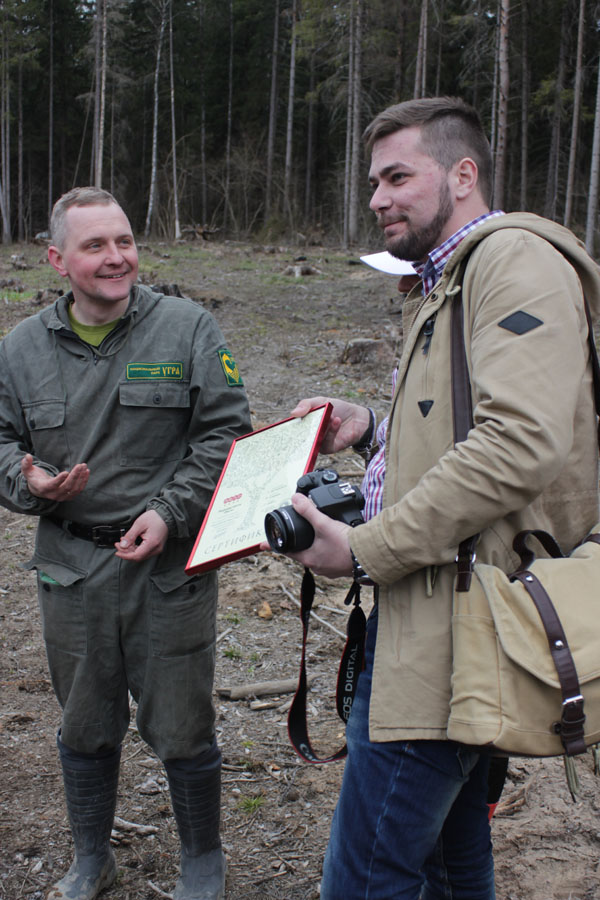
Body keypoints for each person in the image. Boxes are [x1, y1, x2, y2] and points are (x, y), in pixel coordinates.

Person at [263, 98, 600, 898]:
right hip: (435, 609)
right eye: (373, 182)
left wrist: (362, 549)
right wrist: (373, 429)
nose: (377, 198)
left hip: (456, 629)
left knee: (367, 876)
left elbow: (521, 444)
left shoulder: (513, 262)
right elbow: (461, 434)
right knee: (451, 861)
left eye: (397, 177)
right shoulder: (448, 276)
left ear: (463, 173)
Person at [0, 187, 251, 900]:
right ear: (56, 259)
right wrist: (30, 485)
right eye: (95, 245)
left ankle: (203, 860)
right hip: (70, 569)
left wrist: (171, 513)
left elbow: (225, 433)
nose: (117, 258)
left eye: (124, 241)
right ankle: (91, 860)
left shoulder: (188, 330)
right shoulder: (17, 352)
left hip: (167, 568)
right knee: (84, 719)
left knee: (181, 722)